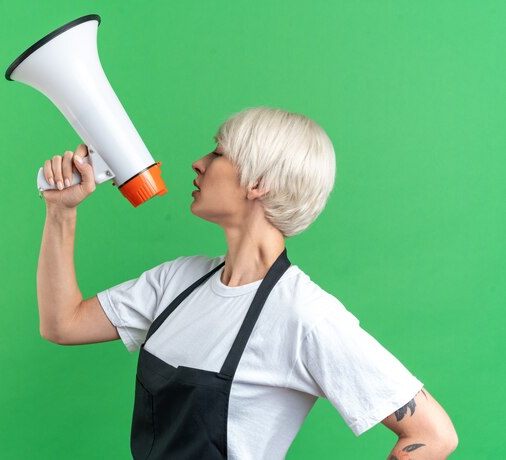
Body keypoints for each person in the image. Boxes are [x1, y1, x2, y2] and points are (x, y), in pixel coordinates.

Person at [36, 107, 458, 459]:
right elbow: (63, 324)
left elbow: (435, 435)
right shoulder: (177, 280)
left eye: (218, 153)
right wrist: (61, 212)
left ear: (259, 183)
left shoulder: (304, 315)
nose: (198, 163)